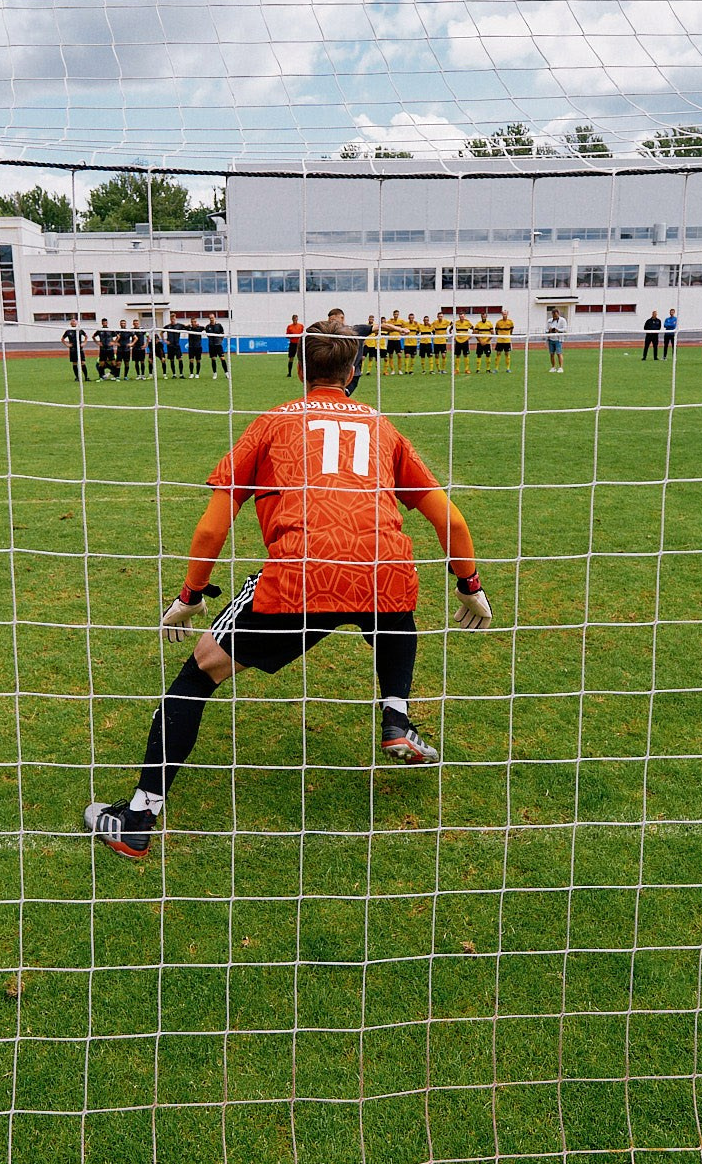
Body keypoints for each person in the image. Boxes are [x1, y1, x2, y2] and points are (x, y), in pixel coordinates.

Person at [86, 320, 491, 858]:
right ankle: (395, 717)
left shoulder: (270, 424)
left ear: (300, 368)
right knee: (388, 593)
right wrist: (469, 584)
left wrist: (190, 595)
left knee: (201, 670)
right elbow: (452, 522)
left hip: (301, 575)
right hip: (383, 570)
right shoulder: (385, 428)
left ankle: (137, 818)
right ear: (354, 372)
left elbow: (212, 528)